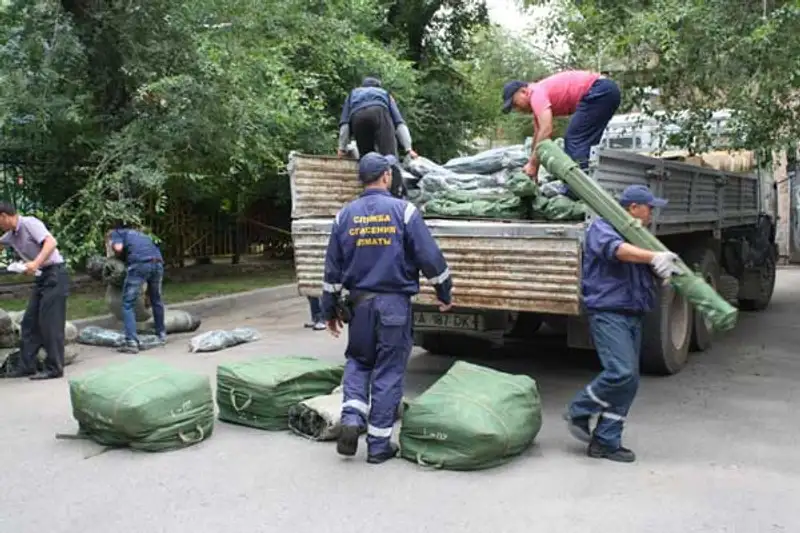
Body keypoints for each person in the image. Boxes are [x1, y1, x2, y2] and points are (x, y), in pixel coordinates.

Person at [321, 152, 453, 465]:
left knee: (358, 360)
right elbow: (430, 258)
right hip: (394, 305)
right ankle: (379, 445)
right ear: (386, 176)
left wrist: (328, 311)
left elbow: (332, 272)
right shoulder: (404, 212)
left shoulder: (344, 216)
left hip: (360, 306)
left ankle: (352, 417)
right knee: (389, 370)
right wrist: (444, 291)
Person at [563, 185, 680, 463]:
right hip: (609, 312)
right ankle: (579, 409)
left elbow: (638, 266)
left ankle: (606, 441)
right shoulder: (602, 227)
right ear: (633, 208)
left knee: (629, 382)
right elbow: (616, 251)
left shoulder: (637, 236)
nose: (652, 213)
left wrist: (661, 271)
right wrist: (652, 256)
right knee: (620, 372)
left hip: (632, 313)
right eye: (649, 207)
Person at [502, 71, 621, 185]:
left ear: (524, 92)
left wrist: (533, 164)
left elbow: (546, 129)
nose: (517, 110)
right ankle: (590, 184)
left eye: (515, 104)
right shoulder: (537, 96)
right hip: (606, 91)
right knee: (586, 145)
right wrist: (533, 167)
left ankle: (576, 189)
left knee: (575, 140)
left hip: (599, 90)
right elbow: (538, 136)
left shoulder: (535, 93)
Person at [0, 202, 69, 380]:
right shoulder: (11, 235)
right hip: (42, 277)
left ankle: (54, 368)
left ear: (4, 216)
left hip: (55, 274)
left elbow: (51, 242)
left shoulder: (29, 223)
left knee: (50, 323)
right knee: (29, 322)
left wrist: (35, 263)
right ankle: (26, 366)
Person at [337, 77, 419, 198]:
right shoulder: (384, 93)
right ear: (378, 87)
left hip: (358, 117)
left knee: (367, 160)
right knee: (390, 157)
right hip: (379, 112)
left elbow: (345, 124)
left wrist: (342, 148)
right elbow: (399, 123)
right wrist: (408, 148)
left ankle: (368, 195)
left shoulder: (353, 94)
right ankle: (396, 195)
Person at [108, 225, 166, 353]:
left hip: (140, 264)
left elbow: (118, 248)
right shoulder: (141, 235)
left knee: (128, 304)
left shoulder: (116, 233)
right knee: (156, 300)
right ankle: (161, 335)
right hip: (158, 263)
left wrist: (114, 251)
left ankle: (131, 342)